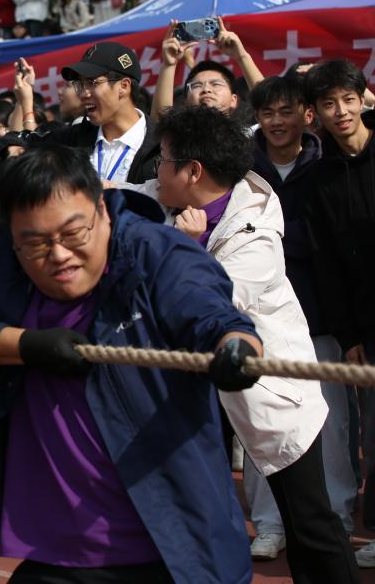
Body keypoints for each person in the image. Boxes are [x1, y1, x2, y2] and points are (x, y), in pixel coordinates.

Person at [0, 143, 258, 584]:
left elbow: (215, 317)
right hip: (58, 552)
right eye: (35, 243)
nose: (59, 255)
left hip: (174, 546)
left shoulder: (155, 252)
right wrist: (25, 345)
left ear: (102, 212)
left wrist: (237, 350)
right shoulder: (3, 269)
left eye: (73, 234)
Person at [143, 103, 358, 583]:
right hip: (196, 391)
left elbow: (211, 305)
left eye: (163, 160)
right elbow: (110, 193)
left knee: (310, 523)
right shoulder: (165, 200)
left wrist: (186, 248)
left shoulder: (254, 231)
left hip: (271, 388)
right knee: (189, 520)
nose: (155, 171)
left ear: (193, 171)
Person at [246, 76, 357, 561]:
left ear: (306, 115)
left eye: (286, 111)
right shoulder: (242, 168)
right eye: (267, 113)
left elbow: (330, 241)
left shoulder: (326, 164)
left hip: (318, 317)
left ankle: (336, 517)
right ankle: (270, 524)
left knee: (329, 425)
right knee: (260, 423)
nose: (277, 121)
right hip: (256, 319)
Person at [302, 60, 375, 568]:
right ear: (316, 112)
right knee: (373, 432)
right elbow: (326, 263)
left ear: (363, 98)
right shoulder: (318, 179)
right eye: (329, 103)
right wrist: (348, 334)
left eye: (348, 99)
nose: (341, 111)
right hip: (365, 324)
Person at [52, 42, 159, 184]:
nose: (83, 94)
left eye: (92, 83)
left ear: (124, 86)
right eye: (80, 85)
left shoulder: (161, 145)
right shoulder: (72, 140)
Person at [151, 18, 264, 123]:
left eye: (216, 84)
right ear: (186, 101)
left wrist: (242, 56)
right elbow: (159, 123)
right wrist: (168, 65)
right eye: (197, 86)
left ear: (233, 100)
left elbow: (267, 104)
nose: (206, 90)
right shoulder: (174, 137)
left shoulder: (248, 134)